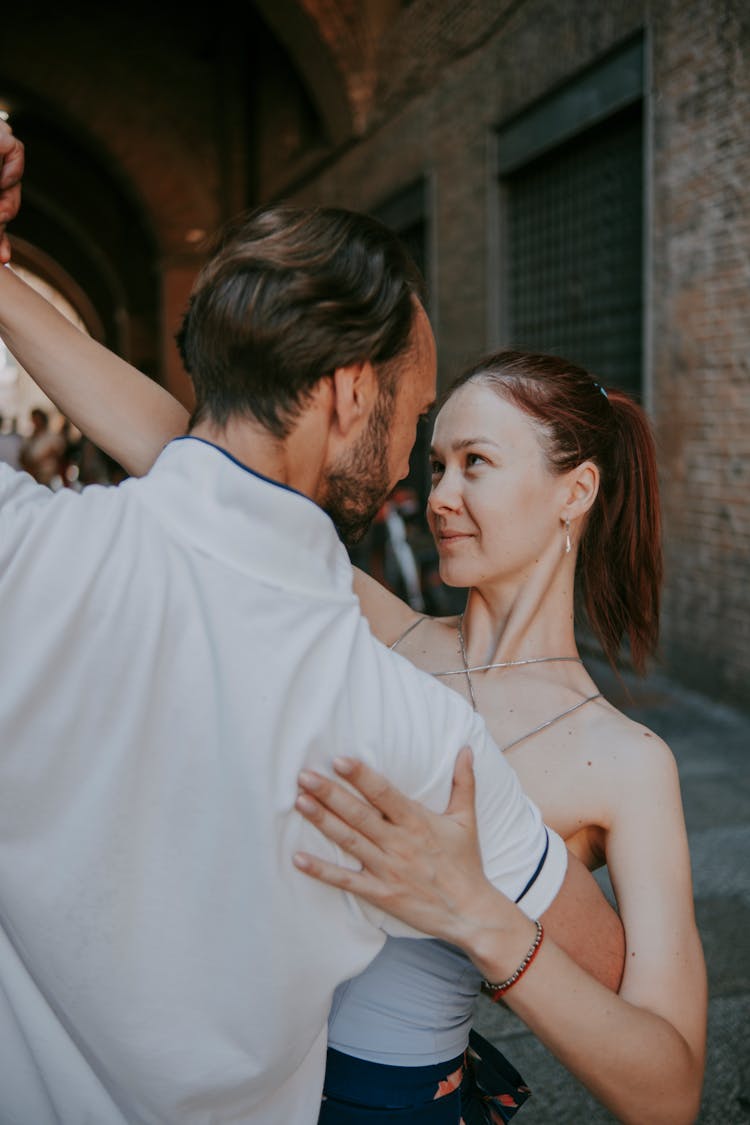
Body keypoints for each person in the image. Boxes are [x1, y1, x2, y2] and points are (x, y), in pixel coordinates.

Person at [0, 126, 623, 1124]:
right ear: (347, 393)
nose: (418, 460)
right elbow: (603, 966)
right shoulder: (412, 733)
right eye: (418, 416)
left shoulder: (22, 555)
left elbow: (178, 456)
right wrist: (471, 912)